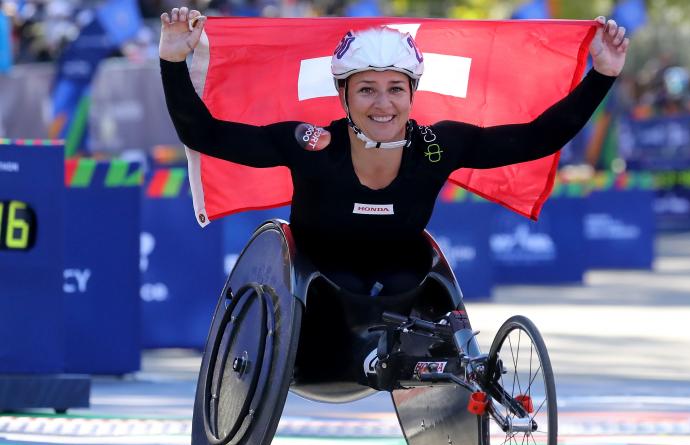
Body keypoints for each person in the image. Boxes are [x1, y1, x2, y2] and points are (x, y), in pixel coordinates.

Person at [158, 7, 629, 297]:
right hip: (315, 279)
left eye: (394, 89)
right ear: (343, 96)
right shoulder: (311, 144)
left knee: (413, 291)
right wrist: (174, 60)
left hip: (405, 281)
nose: (382, 104)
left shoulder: (436, 146)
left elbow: (537, 138)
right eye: (366, 90)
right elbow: (206, 135)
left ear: (412, 93)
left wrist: (601, 74)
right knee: (336, 287)